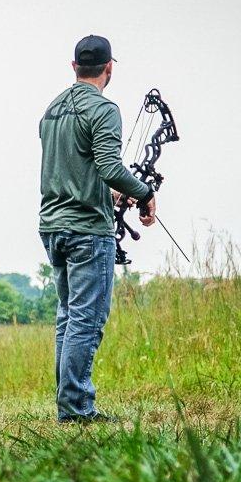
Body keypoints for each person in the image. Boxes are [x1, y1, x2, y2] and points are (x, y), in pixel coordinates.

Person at [38, 34, 157, 424]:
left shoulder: (51, 111)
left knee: (69, 316)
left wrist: (111, 196)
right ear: (109, 68)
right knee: (86, 319)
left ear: (74, 67)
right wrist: (143, 193)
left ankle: (68, 403)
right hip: (87, 230)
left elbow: (80, 173)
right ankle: (75, 409)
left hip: (53, 227)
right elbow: (108, 166)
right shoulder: (104, 110)